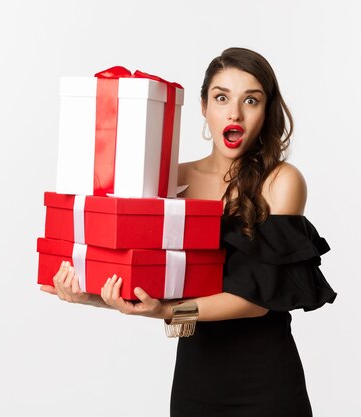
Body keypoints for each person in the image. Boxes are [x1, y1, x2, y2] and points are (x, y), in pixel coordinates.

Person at [41, 47, 337, 417]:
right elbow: (142, 277)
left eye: (251, 100)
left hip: (268, 381)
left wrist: (164, 311)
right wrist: (89, 294)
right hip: (197, 380)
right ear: (203, 107)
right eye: (221, 98)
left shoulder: (281, 182)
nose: (235, 113)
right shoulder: (172, 180)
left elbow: (257, 301)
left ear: (267, 110)